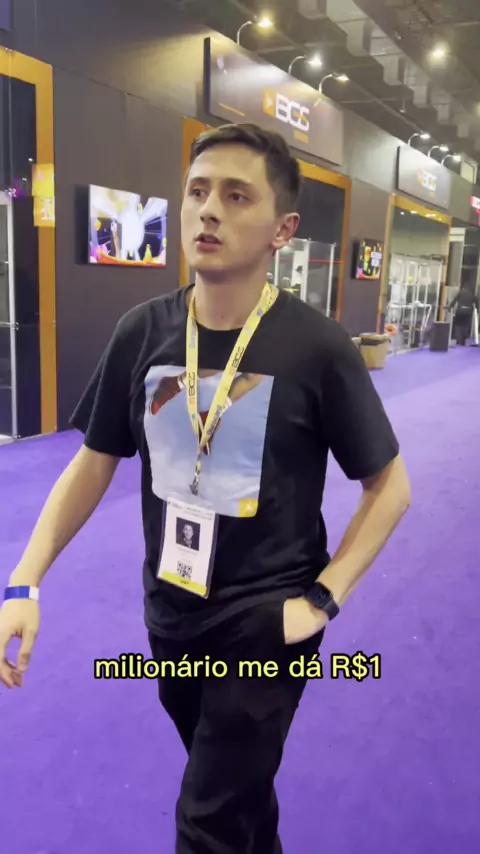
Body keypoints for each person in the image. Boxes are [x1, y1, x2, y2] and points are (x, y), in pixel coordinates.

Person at [0, 123, 411, 853]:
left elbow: (391, 487)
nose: (208, 210)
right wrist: (24, 581)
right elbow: (93, 462)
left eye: (236, 195)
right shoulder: (142, 332)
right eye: (196, 192)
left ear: (283, 229)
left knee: (208, 822)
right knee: (238, 800)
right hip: (170, 611)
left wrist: (322, 601)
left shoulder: (317, 347)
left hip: (266, 622)